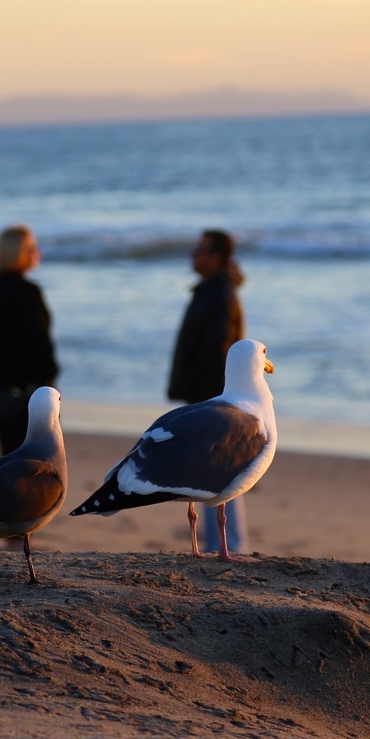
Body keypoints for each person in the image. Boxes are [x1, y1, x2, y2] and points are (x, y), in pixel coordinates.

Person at [168, 228, 249, 553]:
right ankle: (223, 545)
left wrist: (209, 402)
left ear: (216, 257)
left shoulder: (220, 295)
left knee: (221, 474)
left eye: (199, 249)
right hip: (207, 398)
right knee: (212, 474)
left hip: (214, 400)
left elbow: (219, 352)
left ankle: (230, 547)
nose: (193, 254)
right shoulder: (209, 291)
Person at [0, 225, 59, 455]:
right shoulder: (27, 291)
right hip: (25, 395)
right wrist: (50, 381)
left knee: (10, 459)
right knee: (31, 461)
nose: (38, 252)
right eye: (32, 247)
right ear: (18, 253)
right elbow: (38, 344)